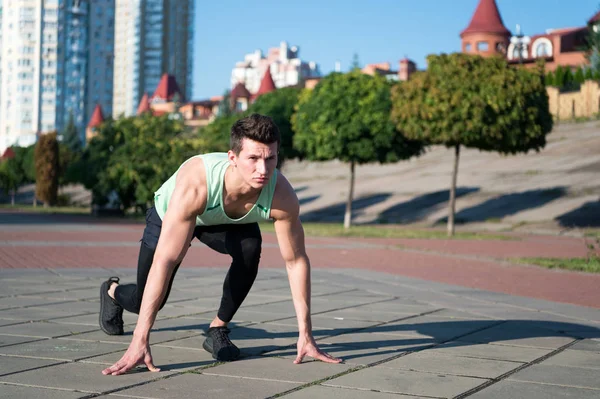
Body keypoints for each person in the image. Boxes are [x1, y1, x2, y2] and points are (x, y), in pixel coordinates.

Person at [99, 113, 342, 376]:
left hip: (224, 219)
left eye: (270, 158)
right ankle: (112, 291)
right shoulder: (197, 183)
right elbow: (165, 261)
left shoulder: (281, 195)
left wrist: (305, 334)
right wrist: (140, 339)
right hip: (174, 213)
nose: (263, 170)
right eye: (253, 158)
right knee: (148, 299)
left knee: (250, 247)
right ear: (232, 158)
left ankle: (218, 328)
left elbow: (296, 261)